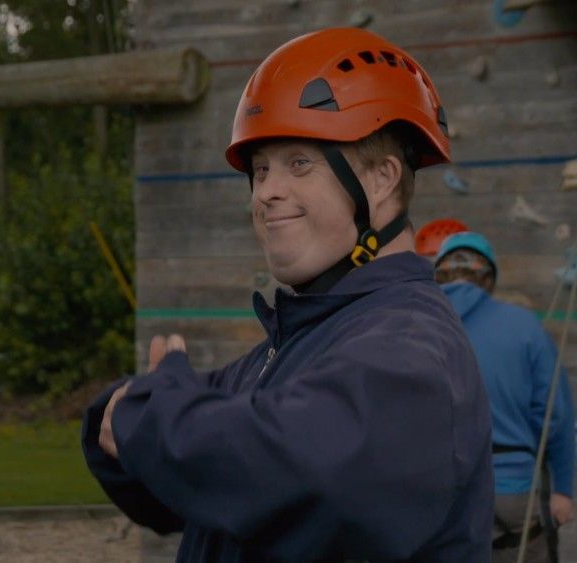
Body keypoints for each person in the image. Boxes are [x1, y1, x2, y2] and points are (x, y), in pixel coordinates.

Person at [82, 27, 493, 561]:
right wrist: (126, 421)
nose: (267, 191)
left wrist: (155, 419)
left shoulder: (410, 349)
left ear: (381, 179)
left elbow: (302, 473)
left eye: (299, 162)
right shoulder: (301, 341)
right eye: (260, 170)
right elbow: (187, 482)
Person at [435, 231, 574, 563]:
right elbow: (555, 416)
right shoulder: (524, 327)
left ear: (438, 276)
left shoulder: (414, 328)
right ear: (488, 279)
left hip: (437, 495)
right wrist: (564, 489)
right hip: (513, 492)